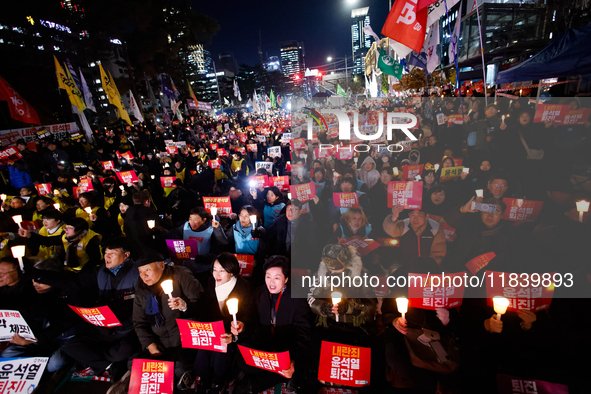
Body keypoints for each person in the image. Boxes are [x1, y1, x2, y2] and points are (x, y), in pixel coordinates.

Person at [49, 240, 143, 383]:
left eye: (112, 253)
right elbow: (76, 281)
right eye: (106, 253)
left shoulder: (137, 273)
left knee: (122, 351)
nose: (108, 257)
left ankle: (105, 361)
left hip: (128, 328)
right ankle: (109, 366)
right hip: (103, 329)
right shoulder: (100, 272)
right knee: (72, 346)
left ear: (126, 255)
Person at [232, 256, 311, 394]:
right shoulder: (259, 293)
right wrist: (242, 325)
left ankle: (253, 385)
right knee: (242, 360)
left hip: (285, 349)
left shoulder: (297, 299)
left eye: (276, 278)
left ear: (286, 279)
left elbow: (302, 332)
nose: (271, 282)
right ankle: (276, 376)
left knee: (295, 367)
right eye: (268, 277)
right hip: (264, 347)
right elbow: (251, 317)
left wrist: (292, 359)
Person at [132, 250, 203, 389]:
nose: (144, 275)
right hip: (159, 342)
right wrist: (150, 344)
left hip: (183, 340)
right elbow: (139, 322)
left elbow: (203, 305)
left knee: (178, 369)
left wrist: (185, 307)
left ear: (162, 266)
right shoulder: (141, 288)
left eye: (148, 270)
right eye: (140, 271)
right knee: (135, 364)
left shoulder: (180, 275)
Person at [193, 253, 253, 393]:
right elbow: (203, 308)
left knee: (221, 352)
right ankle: (204, 380)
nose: (216, 274)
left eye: (221, 270)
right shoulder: (209, 283)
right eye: (214, 269)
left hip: (231, 333)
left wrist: (236, 333)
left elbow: (248, 316)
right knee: (203, 351)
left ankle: (218, 384)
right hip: (212, 330)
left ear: (231, 272)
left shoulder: (244, 287)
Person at [19, 217, 103, 273]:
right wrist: (29, 235)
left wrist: (81, 274)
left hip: (88, 270)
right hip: (70, 269)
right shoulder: (66, 237)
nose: (66, 230)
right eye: (66, 227)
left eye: (70, 228)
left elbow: (94, 261)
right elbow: (48, 241)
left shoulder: (90, 240)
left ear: (79, 230)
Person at [382, 206, 447, 267]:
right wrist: (394, 217)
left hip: (427, 267)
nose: (415, 219)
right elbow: (391, 231)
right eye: (412, 215)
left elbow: (438, 252)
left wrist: (430, 267)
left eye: (419, 215)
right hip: (406, 265)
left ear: (426, 216)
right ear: (408, 215)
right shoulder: (404, 224)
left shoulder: (435, 227)